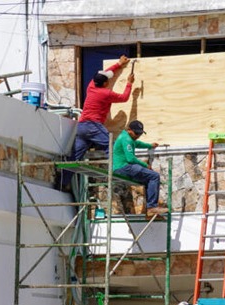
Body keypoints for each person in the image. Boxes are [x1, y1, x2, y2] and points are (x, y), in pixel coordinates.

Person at [62, 55, 135, 191]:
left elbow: (107, 73)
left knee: (74, 158)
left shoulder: (91, 86)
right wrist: (129, 83)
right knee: (111, 148)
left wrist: (119, 64)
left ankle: (62, 183)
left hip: (82, 127)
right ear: (105, 84)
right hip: (93, 126)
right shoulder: (106, 94)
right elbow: (124, 98)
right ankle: (118, 174)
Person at [113, 120, 168, 218]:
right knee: (154, 176)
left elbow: (137, 143)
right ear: (129, 130)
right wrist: (145, 165)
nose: (138, 135)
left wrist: (150, 145)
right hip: (123, 167)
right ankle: (151, 208)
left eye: (140, 133)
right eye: (136, 133)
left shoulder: (127, 137)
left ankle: (150, 212)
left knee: (148, 179)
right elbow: (130, 158)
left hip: (122, 167)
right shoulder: (126, 139)